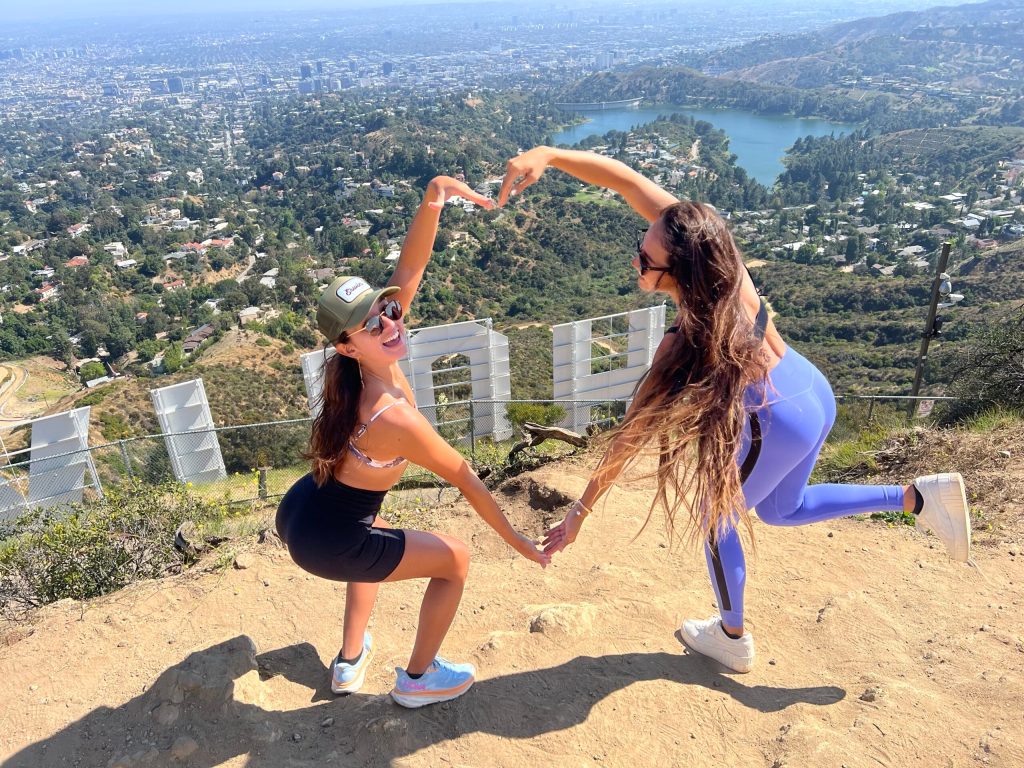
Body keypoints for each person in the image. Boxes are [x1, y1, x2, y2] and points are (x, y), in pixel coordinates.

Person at [499, 147, 971, 673]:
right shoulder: (723, 265)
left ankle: (731, 636)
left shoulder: (685, 341)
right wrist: (551, 156)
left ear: (679, 271)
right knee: (778, 509)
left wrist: (579, 513)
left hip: (776, 419)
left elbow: (629, 435)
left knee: (715, 519)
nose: (637, 260)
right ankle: (918, 498)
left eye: (646, 259)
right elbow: (629, 184)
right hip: (812, 389)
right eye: (642, 245)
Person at [276, 175, 549, 708]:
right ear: (346, 345)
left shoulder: (356, 378)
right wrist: (517, 541)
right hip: (326, 538)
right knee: (456, 561)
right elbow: (464, 476)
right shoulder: (390, 415)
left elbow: (409, 269)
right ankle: (419, 680)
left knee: (374, 527)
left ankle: (350, 661)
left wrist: (433, 198)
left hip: (304, 509)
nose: (390, 324)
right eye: (371, 325)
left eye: (389, 311)